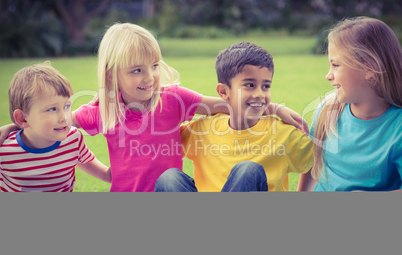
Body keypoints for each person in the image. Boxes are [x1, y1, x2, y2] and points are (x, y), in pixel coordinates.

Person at [0, 23, 306, 192]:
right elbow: (59, 122)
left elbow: (226, 105)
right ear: (111, 74)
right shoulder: (103, 110)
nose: (149, 78)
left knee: (171, 179)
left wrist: (274, 107)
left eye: (154, 66)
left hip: (170, 194)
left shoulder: (173, 98)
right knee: (169, 181)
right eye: (136, 70)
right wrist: (13, 128)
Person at [155, 42, 314, 192]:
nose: (260, 94)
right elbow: (163, 143)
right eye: (250, 85)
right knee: (169, 178)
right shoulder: (202, 129)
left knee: (247, 170)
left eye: (266, 86)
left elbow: (317, 163)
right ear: (224, 92)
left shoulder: (283, 134)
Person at [297, 17, 402, 191]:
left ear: (369, 68)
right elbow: (311, 166)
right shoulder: (327, 110)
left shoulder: (397, 128)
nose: (328, 75)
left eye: (335, 65)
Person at [0, 62, 111, 192]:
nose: (64, 117)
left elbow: (106, 175)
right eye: (52, 109)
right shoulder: (5, 151)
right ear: (22, 118)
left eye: (67, 106)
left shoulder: (73, 140)